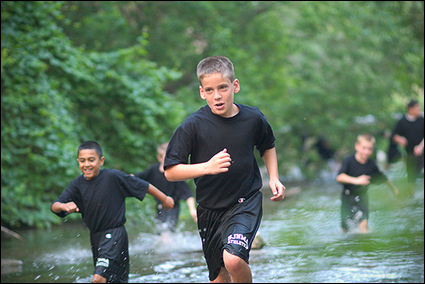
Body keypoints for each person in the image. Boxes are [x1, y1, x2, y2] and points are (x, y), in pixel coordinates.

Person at [163, 56, 285, 283]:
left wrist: (274, 178)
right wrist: (207, 167)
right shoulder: (193, 126)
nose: (217, 96)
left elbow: (267, 146)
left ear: (235, 86)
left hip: (244, 202)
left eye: (222, 88)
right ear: (201, 92)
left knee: (233, 260)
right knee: (219, 277)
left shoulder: (253, 119)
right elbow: (171, 171)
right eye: (209, 90)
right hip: (209, 209)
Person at [51, 141, 174, 283]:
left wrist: (165, 199)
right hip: (96, 238)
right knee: (115, 280)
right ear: (78, 162)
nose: (87, 164)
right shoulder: (77, 185)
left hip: (115, 234)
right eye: (82, 161)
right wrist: (63, 206)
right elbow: (54, 205)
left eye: (91, 160)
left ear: (101, 161)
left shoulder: (113, 177)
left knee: (98, 279)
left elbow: (144, 186)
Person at [336, 134, 399, 234]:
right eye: (364, 148)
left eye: (369, 149)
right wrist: (356, 180)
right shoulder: (348, 160)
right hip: (347, 197)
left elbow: (383, 178)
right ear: (357, 146)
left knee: (364, 226)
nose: (366, 151)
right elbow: (339, 177)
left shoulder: (371, 165)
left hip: (362, 198)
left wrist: (393, 189)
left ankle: (365, 245)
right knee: (345, 229)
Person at [134, 142, 197, 233]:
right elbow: (136, 178)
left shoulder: (175, 174)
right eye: (166, 158)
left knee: (167, 231)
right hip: (160, 207)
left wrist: (192, 210)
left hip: (173, 207)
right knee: (161, 231)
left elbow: (187, 194)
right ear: (159, 158)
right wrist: (122, 178)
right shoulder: (153, 170)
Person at [391, 99, 424, 196]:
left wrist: (420, 147)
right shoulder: (402, 122)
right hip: (409, 154)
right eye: (417, 108)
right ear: (410, 109)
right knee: (411, 177)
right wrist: (400, 139)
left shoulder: (422, 120)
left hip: (421, 152)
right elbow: (394, 136)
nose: (419, 110)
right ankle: (412, 195)